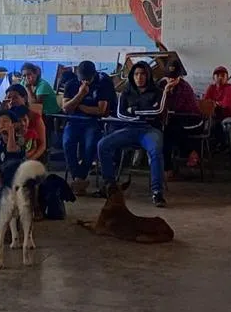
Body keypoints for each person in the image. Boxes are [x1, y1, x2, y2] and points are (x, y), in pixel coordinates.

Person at [96, 60, 168, 207]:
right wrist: (142, 113)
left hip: (150, 130)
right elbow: (121, 114)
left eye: (142, 74)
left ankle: (157, 192)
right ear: (132, 76)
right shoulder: (126, 92)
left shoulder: (158, 92)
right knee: (103, 145)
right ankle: (110, 185)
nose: (139, 77)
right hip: (129, 129)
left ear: (148, 75)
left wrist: (133, 111)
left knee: (155, 151)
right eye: (136, 74)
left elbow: (158, 112)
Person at [62, 60, 116, 194]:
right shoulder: (72, 83)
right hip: (74, 120)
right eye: (82, 79)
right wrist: (80, 95)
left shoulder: (103, 82)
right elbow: (66, 109)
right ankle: (77, 177)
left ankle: (80, 177)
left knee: (90, 144)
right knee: (68, 142)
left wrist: (78, 105)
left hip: (93, 121)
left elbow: (101, 110)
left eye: (88, 79)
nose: (85, 82)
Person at [0, 110, 26, 226]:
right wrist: (0, 184)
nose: (2, 125)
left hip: (18, 178)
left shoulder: (20, 140)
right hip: (2, 177)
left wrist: (11, 131)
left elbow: (11, 149)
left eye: (6, 121)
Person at [161, 60, 203, 170]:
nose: (171, 80)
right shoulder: (161, 85)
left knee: (168, 132)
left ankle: (169, 168)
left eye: (174, 78)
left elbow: (174, 107)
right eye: (169, 77)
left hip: (192, 120)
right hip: (176, 119)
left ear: (179, 77)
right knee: (164, 130)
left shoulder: (184, 88)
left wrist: (166, 93)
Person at [4, 84, 46, 160]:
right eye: (9, 98)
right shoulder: (7, 117)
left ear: (25, 98)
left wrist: (28, 161)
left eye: (15, 97)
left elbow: (42, 146)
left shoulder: (34, 117)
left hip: (32, 158)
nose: (11, 101)